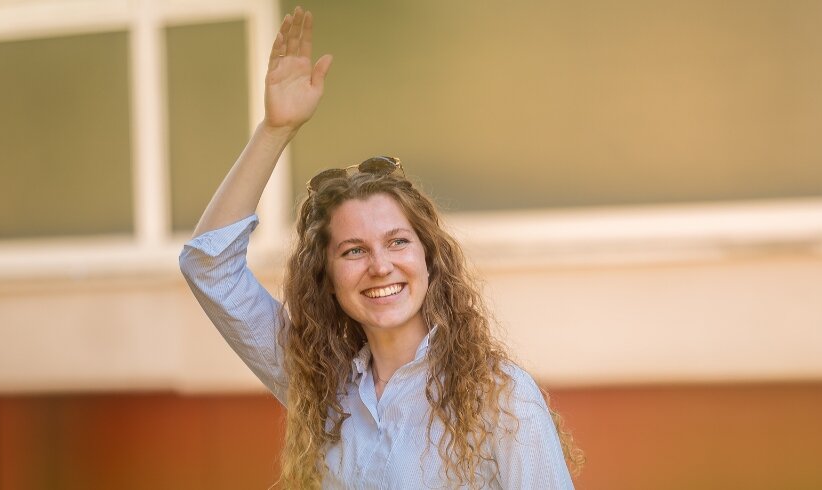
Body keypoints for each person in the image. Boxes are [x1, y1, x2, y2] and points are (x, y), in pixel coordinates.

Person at [179, 7, 582, 488]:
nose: (380, 266)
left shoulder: (501, 399)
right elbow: (209, 266)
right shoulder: (319, 383)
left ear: (429, 259)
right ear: (325, 279)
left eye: (397, 241)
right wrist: (275, 130)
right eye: (353, 251)